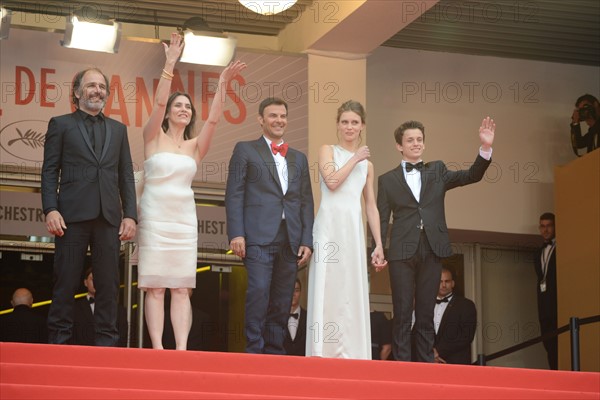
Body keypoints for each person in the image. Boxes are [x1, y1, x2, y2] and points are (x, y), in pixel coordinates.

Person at [137, 32, 246, 350]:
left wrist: (223, 81)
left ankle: (181, 349)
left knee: (182, 287)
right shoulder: (152, 137)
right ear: (168, 111)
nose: (184, 109)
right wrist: (170, 63)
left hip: (183, 220)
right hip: (155, 217)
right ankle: (157, 348)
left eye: (188, 106)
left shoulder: (195, 146)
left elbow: (213, 120)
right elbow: (157, 101)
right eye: (178, 105)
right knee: (155, 287)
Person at [377, 117, 495, 362]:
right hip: (401, 251)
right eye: (410, 140)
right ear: (399, 146)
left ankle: (424, 367)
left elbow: (470, 176)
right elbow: (380, 218)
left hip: (432, 248)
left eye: (419, 139)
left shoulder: (437, 170)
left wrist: (485, 148)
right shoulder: (387, 180)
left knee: (425, 313)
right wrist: (376, 248)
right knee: (401, 311)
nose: (416, 143)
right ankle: (401, 368)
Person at [41, 67, 137, 346]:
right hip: (70, 216)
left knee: (108, 283)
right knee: (66, 280)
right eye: (91, 85)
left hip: (108, 217)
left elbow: (125, 175)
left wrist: (130, 214)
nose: (97, 90)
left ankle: (107, 343)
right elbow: (49, 171)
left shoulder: (119, 130)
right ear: (77, 91)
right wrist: (50, 209)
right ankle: (59, 340)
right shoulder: (61, 124)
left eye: (102, 86)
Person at [225, 97, 314, 355]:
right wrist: (237, 233)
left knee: (283, 296)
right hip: (257, 236)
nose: (279, 120)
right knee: (259, 291)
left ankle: (275, 350)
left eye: (283, 116)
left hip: (291, 238)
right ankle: (254, 348)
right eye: (273, 116)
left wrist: (306, 239)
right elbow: (234, 194)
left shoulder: (299, 158)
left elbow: (306, 201)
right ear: (260, 119)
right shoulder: (245, 149)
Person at [306, 100, 387, 359]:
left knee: (351, 286)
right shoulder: (327, 150)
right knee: (327, 284)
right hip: (329, 226)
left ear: (362, 125)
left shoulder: (368, 166)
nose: (349, 127)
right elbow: (331, 182)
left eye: (354, 122)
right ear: (338, 125)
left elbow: (371, 207)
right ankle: (322, 350)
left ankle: (352, 352)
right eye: (344, 122)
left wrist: (379, 243)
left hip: (352, 228)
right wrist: (355, 158)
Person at [73, 268, 128, 347]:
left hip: (109, 356)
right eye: (92, 279)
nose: (96, 283)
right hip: (81, 356)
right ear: (85, 282)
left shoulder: (119, 310)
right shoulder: (75, 308)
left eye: (99, 279)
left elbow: (122, 340)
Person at [433, 267, 477, 365]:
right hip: (427, 364)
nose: (443, 285)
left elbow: (466, 335)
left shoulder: (466, 305)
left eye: (447, 281)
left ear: (453, 283)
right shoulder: (425, 306)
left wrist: (437, 351)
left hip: (456, 364)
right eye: (440, 281)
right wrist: (428, 353)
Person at [534, 212, 558, 370]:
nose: (546, 230)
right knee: (548, 343)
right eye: (543, 226)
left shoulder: (561, 249)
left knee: (559, 343)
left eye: (549, 226)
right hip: (543, 306)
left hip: (557, 304)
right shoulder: (537, 252)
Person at [283, 279, 307, 356]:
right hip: (281, 364)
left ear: (300, 293)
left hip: (304, 365)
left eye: (296, 290)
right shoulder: (276, 317)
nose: (293, 294)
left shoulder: (309, 317)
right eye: (290, 290)